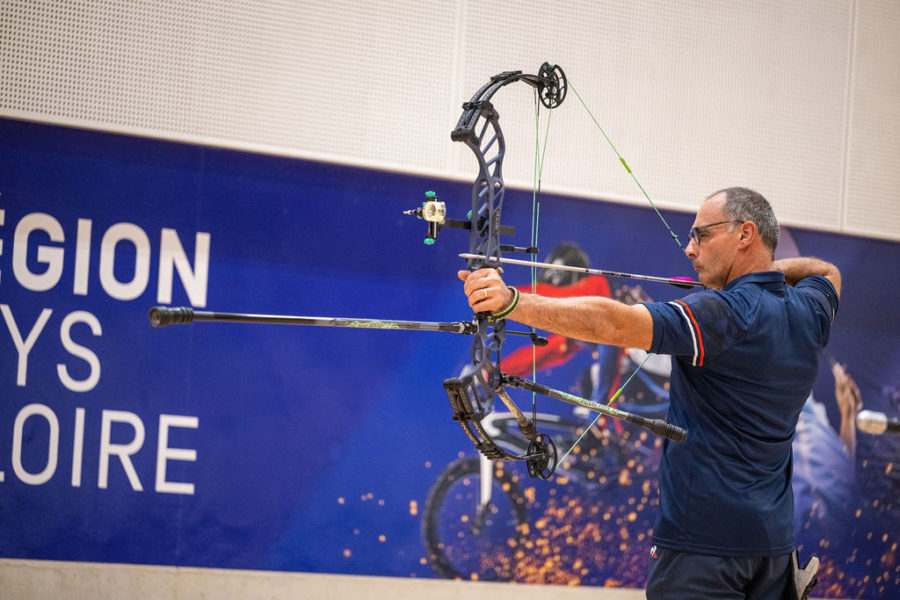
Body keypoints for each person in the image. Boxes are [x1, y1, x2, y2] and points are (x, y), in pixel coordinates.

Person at [458, 187, 841, 599]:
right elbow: (829, 273)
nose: (691, 249)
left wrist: (512, 301)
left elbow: (616, 325)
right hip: (773, 550)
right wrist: (764, 272)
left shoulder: (722, 313)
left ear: (745, 233)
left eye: (702, 235)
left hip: (702, 550)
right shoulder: (809, 313)